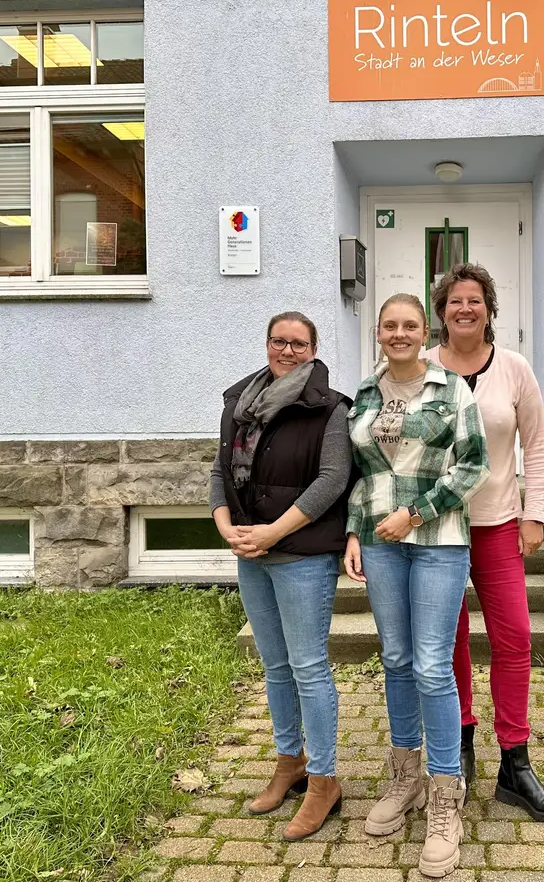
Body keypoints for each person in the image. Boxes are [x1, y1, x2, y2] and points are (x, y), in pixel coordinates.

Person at [344, 293, 490, 879]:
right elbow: (361, 473)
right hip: (378, 541)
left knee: (432, 663)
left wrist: (418, 512)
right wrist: (356, 533)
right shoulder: (365, 392)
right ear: (378, 333)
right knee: (397, 658)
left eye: (409, 325)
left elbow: (473, 464)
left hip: (439, 540)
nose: (399, 333)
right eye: (389, 326)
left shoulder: (452, 389)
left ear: (423, 331)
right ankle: (405, 776)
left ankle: (445, 795)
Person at [430, 263, 544, 825]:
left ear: (489, 309)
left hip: (497, 524)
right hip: (436, 529)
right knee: (452, 639)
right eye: (454, 301)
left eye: (475, 300)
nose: (465, 308)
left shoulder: (513, 369)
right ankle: (460, 746)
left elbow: (536, 448)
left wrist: (533, 516)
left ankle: (515, 762)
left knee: (513, 637)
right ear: (440, 312)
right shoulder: (419, 368)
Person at [211, 311, 352, 841]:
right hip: (251, 552)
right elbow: (219, 472)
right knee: (275, 667)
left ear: (313, 350)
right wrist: (229, 527)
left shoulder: (330, 408)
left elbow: (333, 480)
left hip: (302, 555)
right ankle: (289, 761)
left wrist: (272, 532)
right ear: (266, 343)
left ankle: (323, 779)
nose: (287, 351)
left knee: (309, 667)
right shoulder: (239, 402)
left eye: (299, 344)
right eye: (279, 341)